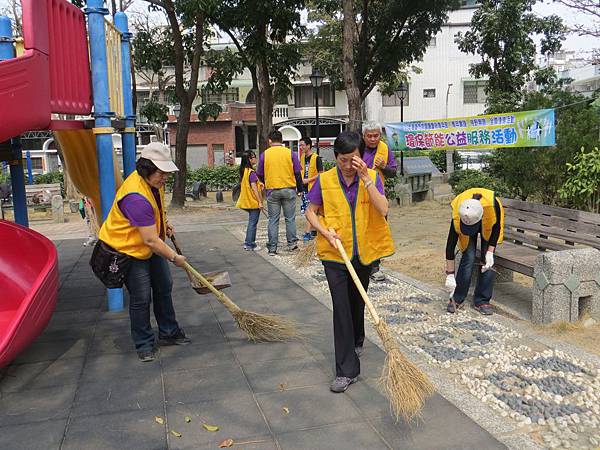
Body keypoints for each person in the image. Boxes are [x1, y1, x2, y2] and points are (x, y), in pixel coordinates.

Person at [305, 131, 394, 393]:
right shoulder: (325, 180)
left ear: (360, 157)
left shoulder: (373, 177)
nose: (348, 165)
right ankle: (346, 370)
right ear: (336, 157)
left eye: (353, 159)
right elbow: (311, 211)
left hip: (363, 253)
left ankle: (358, 337)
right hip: (334, 255)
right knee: (341, 308)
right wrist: (324, 231)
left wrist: (366, 178)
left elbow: (384, 209)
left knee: (358, 302)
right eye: (343, 160)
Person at [98, 142, 190, 362]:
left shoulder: (154, 183)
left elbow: (157, 210)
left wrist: (164, 224)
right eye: (161, 172)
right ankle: (144, 343)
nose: (164, 177)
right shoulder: (135, 197)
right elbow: (149, 239)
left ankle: (169, 332)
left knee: (164, 286)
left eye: (167, 173)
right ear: (146, 169)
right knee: (141, 297)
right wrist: (174, 257)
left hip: (149, 244)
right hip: (128, 249)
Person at [444, 187, 504, 316]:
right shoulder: (457, 214)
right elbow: (450, 246)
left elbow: (496, 228)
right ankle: (457, 298)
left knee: (487, 261)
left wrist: (490, 252)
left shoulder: (493, 208)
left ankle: (482, 300)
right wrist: (449, 275)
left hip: (488, 224)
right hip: (470, 216)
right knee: (469, 257)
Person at [256, 129, 303, 255]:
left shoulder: (265, 154)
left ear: (269, 141)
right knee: (290, 218)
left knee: (273, 220)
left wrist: (266, 183)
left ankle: (272, 248)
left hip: (272, 191)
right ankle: (292, 244)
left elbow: (259, 174)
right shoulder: (290, 153)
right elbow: (298, 173)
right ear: (282, 141)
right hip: (289, 189)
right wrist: (300, 189)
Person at [361, 122, 398, 282]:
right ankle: (360, 263)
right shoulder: (357, 148)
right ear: (364, 136)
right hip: (358, 195)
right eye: (369, 136)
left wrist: (384, 166)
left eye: (376, 135)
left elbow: (393, 173)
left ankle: (375, 267)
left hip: (378, 195)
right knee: (361, 228)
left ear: (380, 136)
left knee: (377, 229)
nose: (373, 139)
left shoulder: (385, 148)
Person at [235, 150, 264, 251]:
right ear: (249, 159)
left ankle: (248, 242)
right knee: (253, 223)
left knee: (251, 222)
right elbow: (254, 188)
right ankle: (250, 244)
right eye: (254, 157)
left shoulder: (244, 171)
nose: (255, 158)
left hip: (245, 201)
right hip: (253, 201)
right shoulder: (251, 173)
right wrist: (260, 202)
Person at [299, 137, 323, 241]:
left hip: (314, 188)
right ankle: (313, 229)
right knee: (307, 210)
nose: (301, 147)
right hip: (305, 188)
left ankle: (307, 232)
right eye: (300, 145)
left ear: (309, 145)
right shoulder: (302, 157)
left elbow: (321, 174)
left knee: (310, 210)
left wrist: (308, 180)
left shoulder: (316, 158)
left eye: (303, 145)